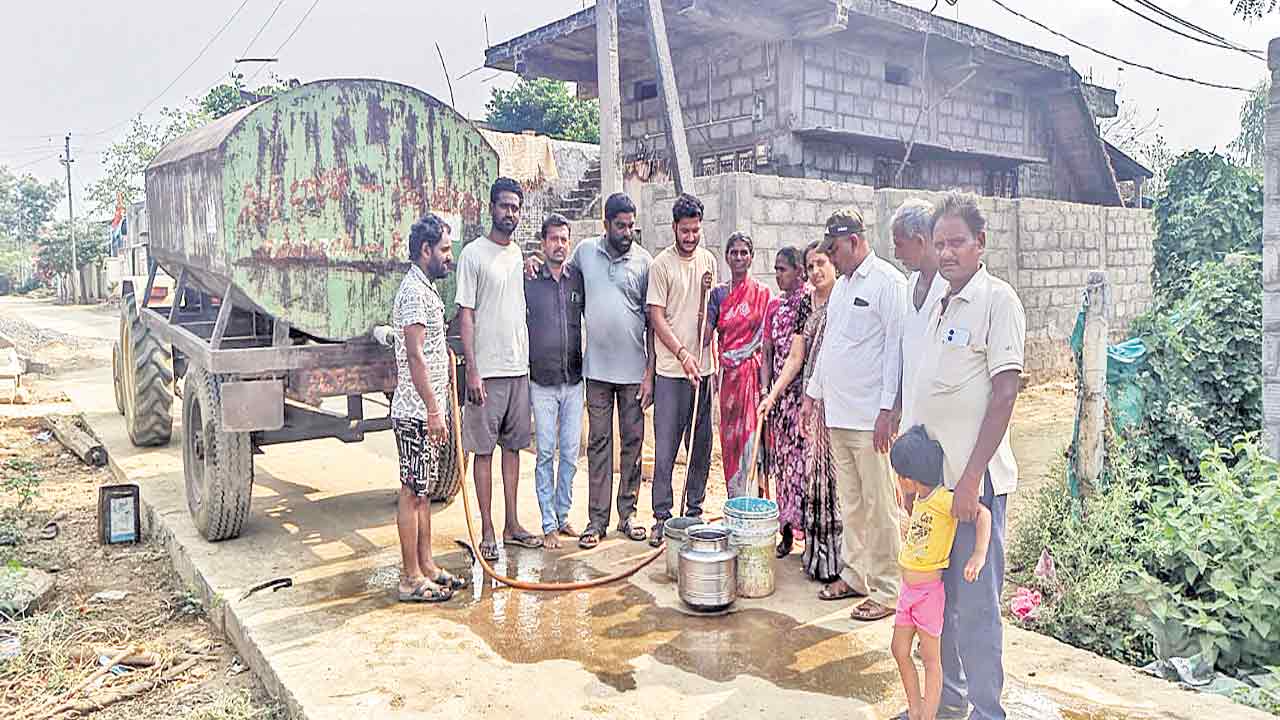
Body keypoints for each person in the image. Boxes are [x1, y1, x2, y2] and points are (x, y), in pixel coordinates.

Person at [913, 191, 1025, 720]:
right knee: (941, 603)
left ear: (981, 243)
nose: (948, 252)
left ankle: (987, 711)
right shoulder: (940, 302)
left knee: (976, 607)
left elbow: (1005, 393)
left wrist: (971, 478)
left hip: (974, 493)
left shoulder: (997, 301)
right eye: (940, 244)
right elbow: (934, 390)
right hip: (937, 491)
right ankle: (949, 701)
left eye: (957, 242)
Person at [802, 208, 907, 622]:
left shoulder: (887, 284)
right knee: (852, 503)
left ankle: (887, 589)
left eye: (835, 249)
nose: (832, 257)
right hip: (839, 415)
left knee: (879, 504)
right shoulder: (844, 288)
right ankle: (857, 574)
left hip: (870, 419)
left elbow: (896, 350)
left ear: (854, 242)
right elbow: (831, 348)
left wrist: (888, 409)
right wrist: (814, 394)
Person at [456, 177, 542, 561]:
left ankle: (511, 523)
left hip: (517, 369)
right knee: (483, 452)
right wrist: (472, 370)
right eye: (505, 206)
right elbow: (466, 315)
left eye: (516, 207)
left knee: (514, 449)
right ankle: (488, 529)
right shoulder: (473, 255)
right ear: (491, 207)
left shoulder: (517, 254)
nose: (511, 213)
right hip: (486, 373)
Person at [390, 213, 468, 603]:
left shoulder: (425, 289)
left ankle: (426, 566)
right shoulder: (414, 292)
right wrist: (434, 410)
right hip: (416, 413)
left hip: (426, 413)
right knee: (412, 491)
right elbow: (415, 356)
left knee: (424, 492)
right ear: (425, 251)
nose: (448, 258)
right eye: (444, 250)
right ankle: (409, 578)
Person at [889, 425, 991, 720]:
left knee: (932, 661)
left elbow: (983, 514)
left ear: (910, 477)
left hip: (928, 595)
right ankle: (915, 708)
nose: (898, 480)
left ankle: (927, 715)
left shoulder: (943, 499)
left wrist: (979, 554)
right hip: (907, 592)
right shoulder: (919, 500)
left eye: (899, 475)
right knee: (899, 650)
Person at [572, 193, 654, 548]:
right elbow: (561, 277)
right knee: (599, 445)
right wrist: (534, 263)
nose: (626, 232)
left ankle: (628, 514)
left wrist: (650, 373)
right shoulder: (585, 253)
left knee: (632, 445)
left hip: (634, 372)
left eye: (631, 226)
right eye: (620, 226)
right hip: (598, 373)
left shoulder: (644, 261)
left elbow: (653, 321)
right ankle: (596, 520)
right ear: (605, 225)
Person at [763, 242, 841, 581]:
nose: (815, 272)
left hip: (837, 402)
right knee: (810, 478)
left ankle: (843, 562)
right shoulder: (806, 304)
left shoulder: (844, 298)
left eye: (820, 264)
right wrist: (773, 394)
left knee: (834, 483)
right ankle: (819, 559)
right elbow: (795, 357)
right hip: (806, 400)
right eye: (811, 267)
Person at [646, 193, 718, 545]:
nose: (690, 237)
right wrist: (683, 354)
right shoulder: (662, 265)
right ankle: (662, 515)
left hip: (703, 371)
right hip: (672, 373)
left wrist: (707, 359)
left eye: (695, 230)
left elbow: (711, 315)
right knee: (666, 448)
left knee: (701, 445)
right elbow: (656, 316)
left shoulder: (708, 261)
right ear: (674, 228)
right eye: (684, 231)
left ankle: (694, 511)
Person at [525, 213, 585, 550]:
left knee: (572, 454)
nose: (559, 245)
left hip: (574, 381)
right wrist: (525, 263)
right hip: (543, 383)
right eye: (553, 239)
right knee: (546, 452)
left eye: (564, 239)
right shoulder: (531, 280)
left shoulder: (578, 279)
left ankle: (563, 516)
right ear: (543, 243)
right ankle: (548, 523)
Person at [891, 198, 948, 517]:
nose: (897, 254)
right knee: (912, 501)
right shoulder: (911, 283)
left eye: (900, 245)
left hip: (938, 419)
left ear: (920, 241)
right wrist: (897, 407)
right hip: (912, 416)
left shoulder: (948, 287)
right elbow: (905, 350)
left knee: (937, 503)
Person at [706, 232, 773, 499]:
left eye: (744, 252)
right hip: (728, 381)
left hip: (753, 378)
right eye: (734, 252)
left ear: (752, 257)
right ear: (726, 257)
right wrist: (711, 367)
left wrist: (768, 384)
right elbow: (706, 334)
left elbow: (767, 342)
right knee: (731, 440)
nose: (739, 257)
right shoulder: (718, 295)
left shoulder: (763, 294)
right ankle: (736, 499)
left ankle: (753, 502)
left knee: (752, 438)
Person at [758, 245, 810, 557]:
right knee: (782, 467)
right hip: (778, 402)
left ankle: (809, 534)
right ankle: (786, 533)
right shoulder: (774, 307)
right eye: (776, 269)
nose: (778, 275)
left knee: (803, 469)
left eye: (783, 269)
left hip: (801, 400)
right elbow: (767, 353)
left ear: (798, 272)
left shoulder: (808, 303)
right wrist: (766, 391)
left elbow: (799, 356)